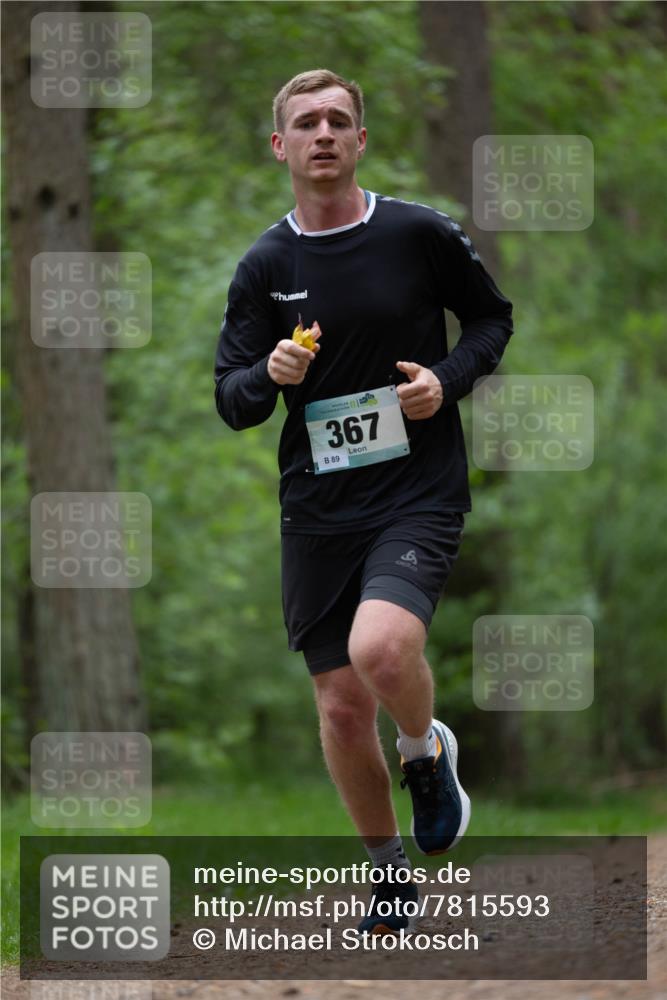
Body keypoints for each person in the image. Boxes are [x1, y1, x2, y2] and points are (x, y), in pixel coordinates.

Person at [214, 69, 513, 936]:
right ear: (281, 146)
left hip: (415, 490)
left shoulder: (417, 233)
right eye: (305, 122)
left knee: (380, 649)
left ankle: (425, 751)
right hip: (316, 508)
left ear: (359, 141)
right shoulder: (266, 265)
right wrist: (266, 375)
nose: (322, 132)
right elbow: (230, 398)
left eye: (338, 120)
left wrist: (444, 381)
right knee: (341, 707)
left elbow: (491, 320)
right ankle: (385, 870)